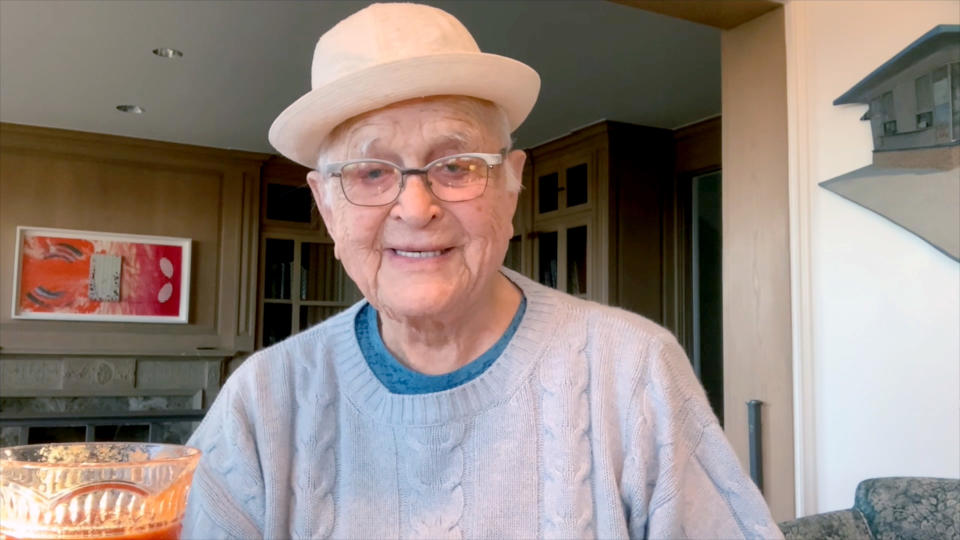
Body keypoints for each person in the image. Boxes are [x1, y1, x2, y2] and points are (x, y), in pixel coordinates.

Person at [182, 3, 783, 539]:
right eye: (370, 172)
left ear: (512, 182)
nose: (417, 209)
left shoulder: (633, 369)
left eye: (457, 164)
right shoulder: (260, 402)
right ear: (326, 205)